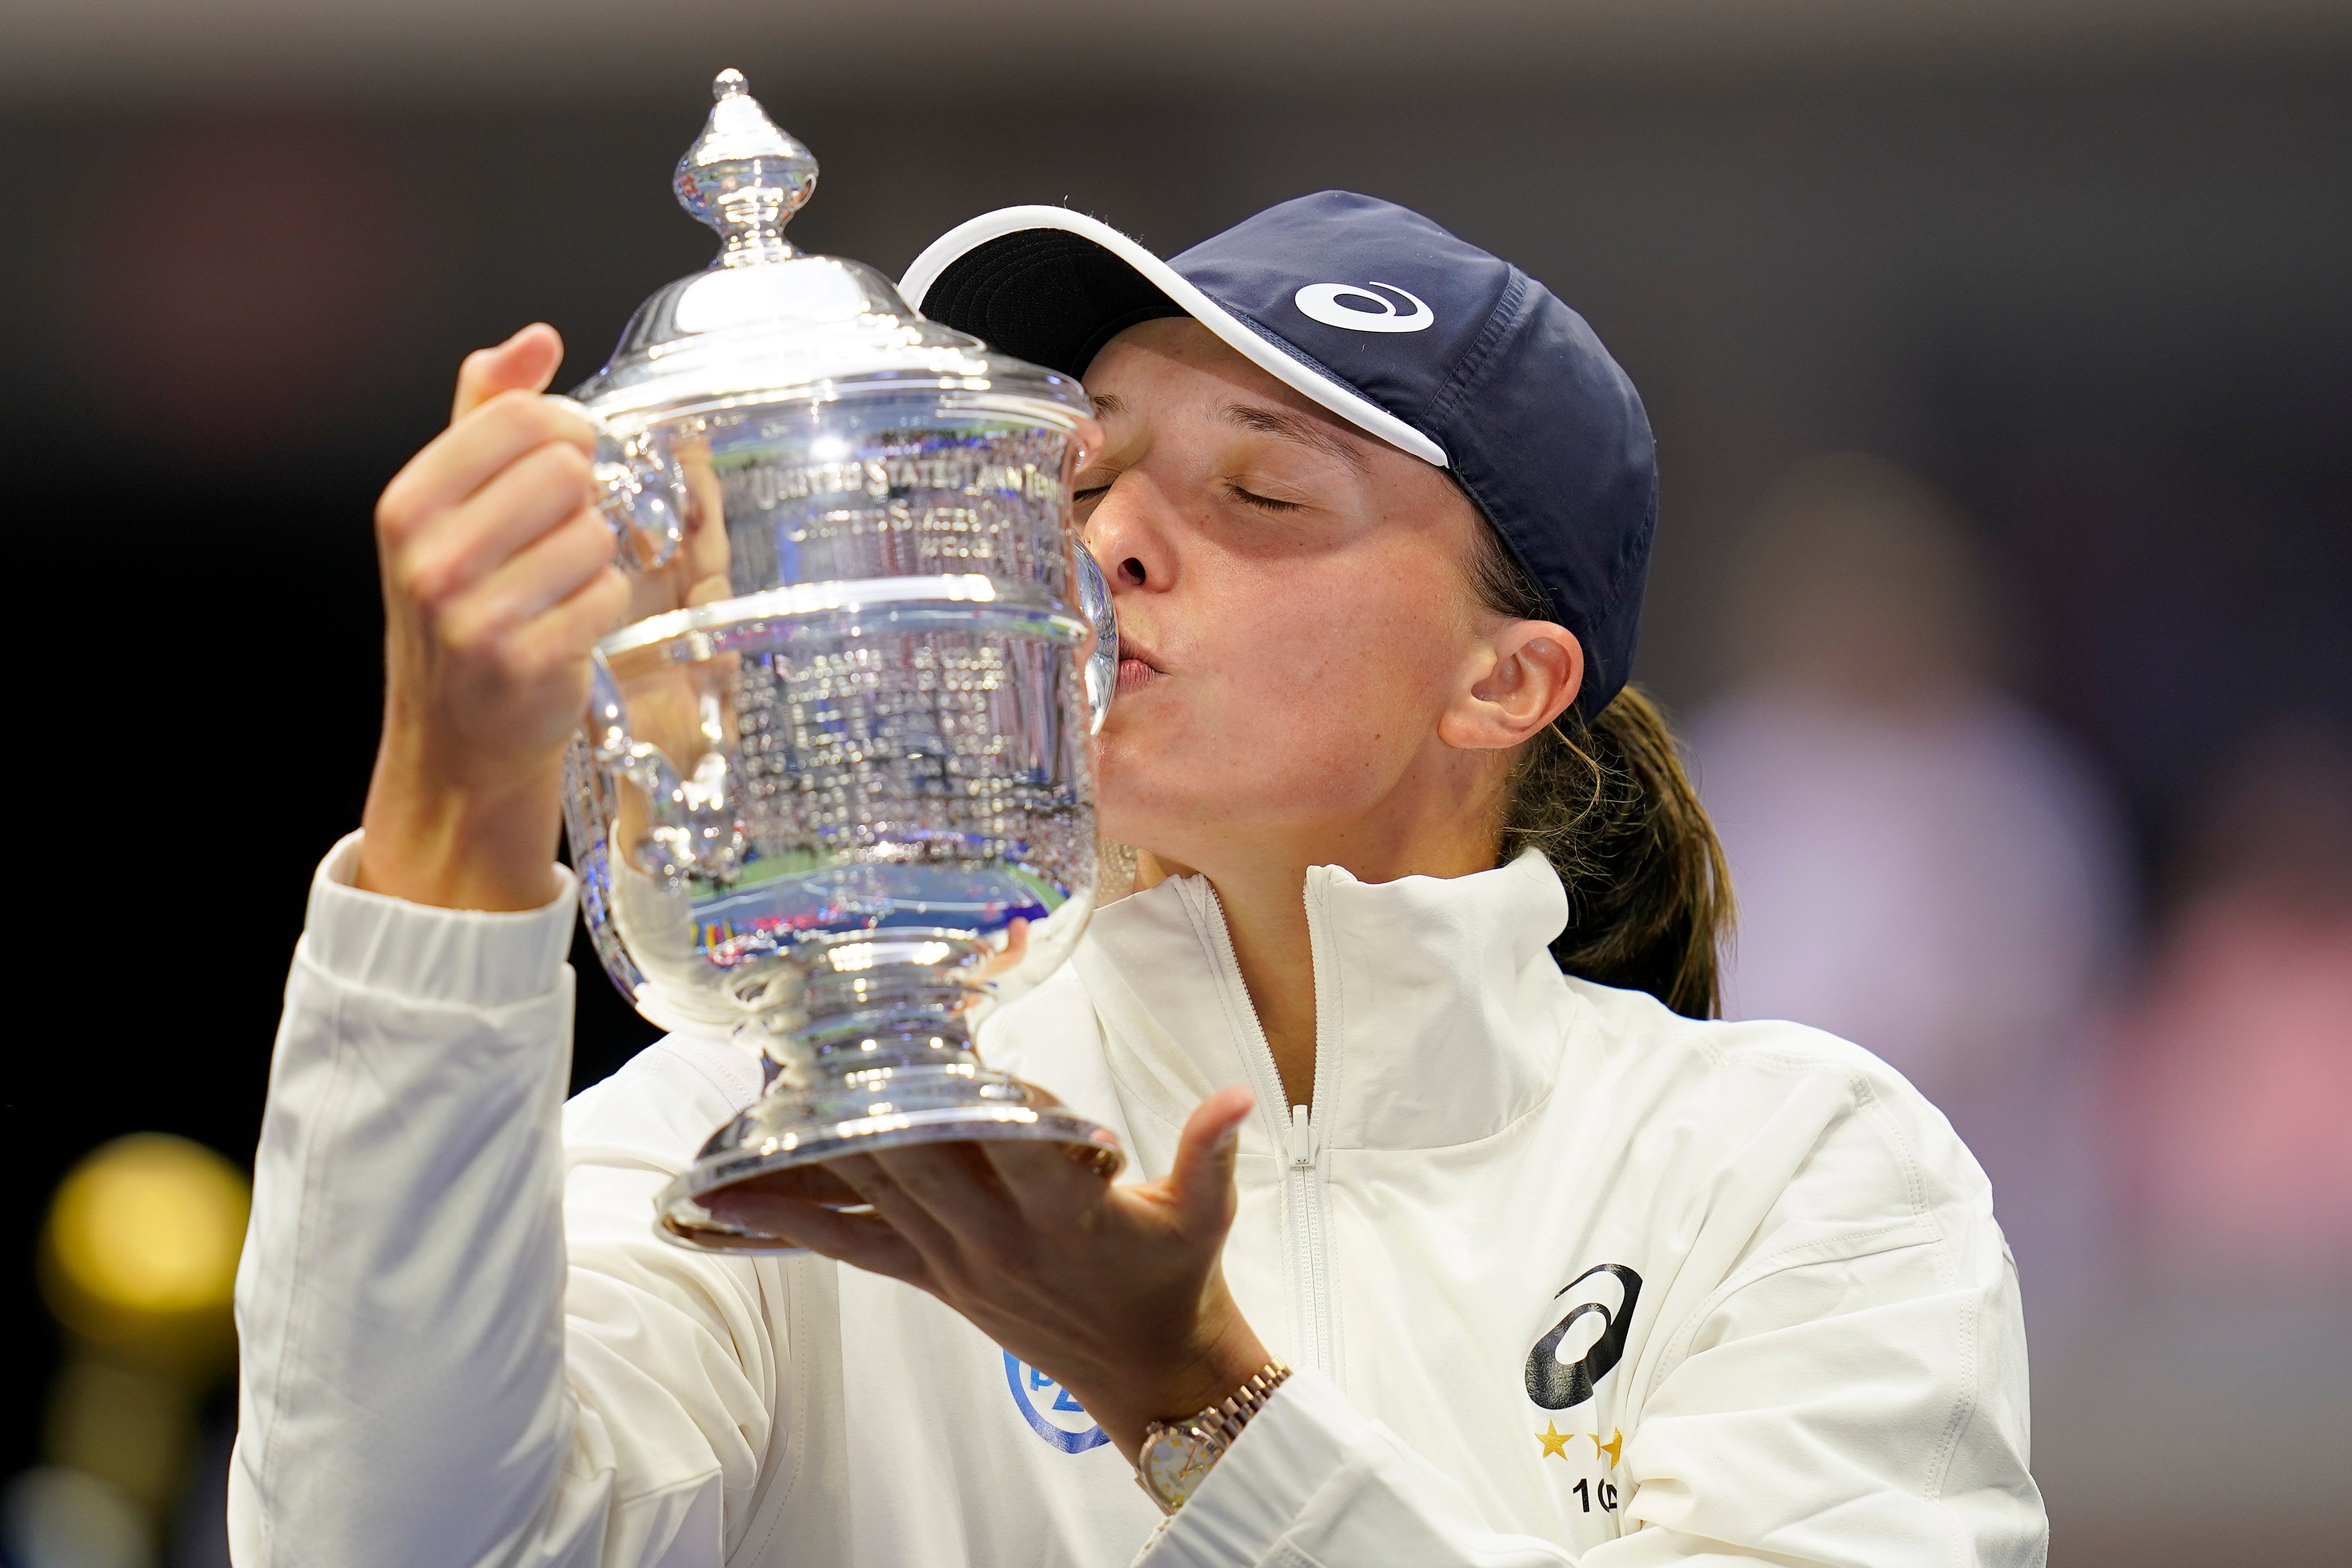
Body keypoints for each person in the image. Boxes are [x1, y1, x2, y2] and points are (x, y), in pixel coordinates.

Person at [229, 194, 2044, 1566]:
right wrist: (454, 816)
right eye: (1083, 470)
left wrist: (1194, 1401)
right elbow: (371, 1538)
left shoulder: (1796, 1170)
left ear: (1506, 681)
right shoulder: (820, 1113)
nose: (1108, 543)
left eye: (1262, 496)